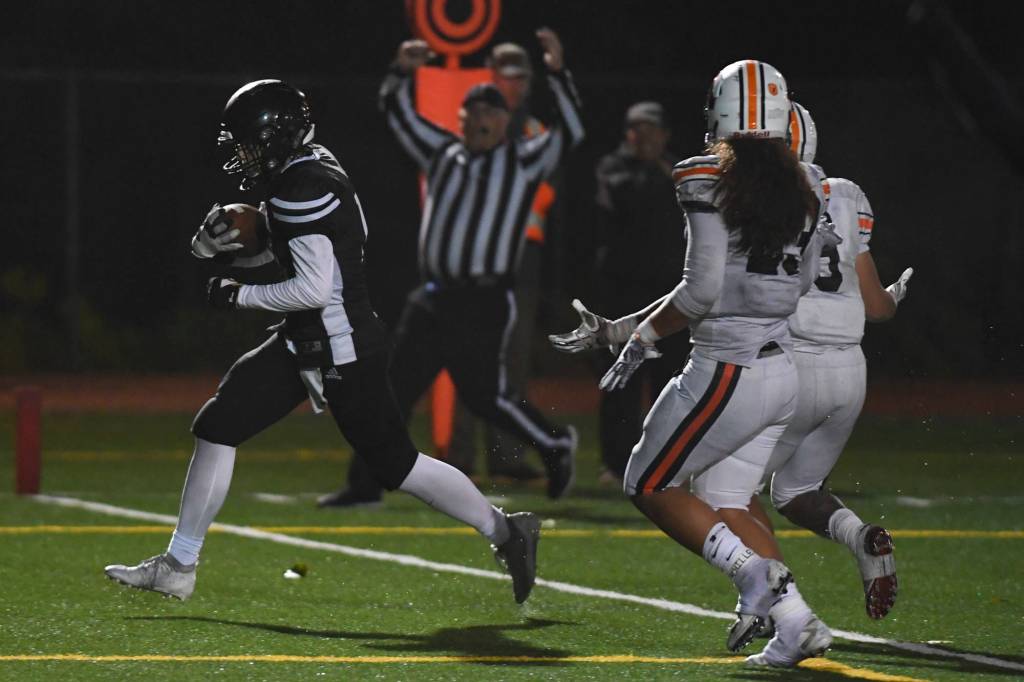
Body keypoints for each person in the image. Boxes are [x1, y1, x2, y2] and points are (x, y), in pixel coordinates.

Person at [103, 79, 541, 605]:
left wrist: (234, 294)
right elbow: (290, 244)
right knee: (219, 424)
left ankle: (507, 532)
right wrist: (224, 244)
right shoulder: (305, 166)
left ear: (276, 136)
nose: (244, 154)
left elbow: (311, 287)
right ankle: (178, 565)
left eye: (249, 142)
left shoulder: (302, 185)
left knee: (396, 465)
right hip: (306, 338)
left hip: (341, 346)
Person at [551, 60, 835, 666]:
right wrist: (628, 329)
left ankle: (756, 580)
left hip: (728, 369)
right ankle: (795, 623)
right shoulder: (808, 185)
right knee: (727, 494)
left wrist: (644, 337)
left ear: (721, 111)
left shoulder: (706, 175)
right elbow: (800, 282)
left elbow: (700, 289)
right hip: (779, 365)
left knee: (648, 481)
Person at [318, 29, 583, 508]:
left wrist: (558, 74)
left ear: (505, 121)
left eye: (491, 111)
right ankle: (364, 484)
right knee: (392, 389)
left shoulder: (523, 159)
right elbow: (396, 111)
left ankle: (554, 444)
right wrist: (401, 69)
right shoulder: (442, 153)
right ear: (460, 119)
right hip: (434, 296)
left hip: (483, 298)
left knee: (485, 397)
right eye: (474, 111)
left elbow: (573, 131)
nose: (481, 117)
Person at [696, 102, 912, 631]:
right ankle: (861, 538)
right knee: (794, 491)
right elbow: (877, 307)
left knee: (723, 489)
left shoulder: (753, 198)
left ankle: (776, 603)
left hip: (790, 364)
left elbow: (714, 286)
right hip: (851, 372)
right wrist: (895, 295)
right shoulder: (845, 194)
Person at [445, 41, 567, 483]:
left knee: (513, 362)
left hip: (518, 258)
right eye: (505, 74)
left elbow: (546, 189)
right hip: (475, 259)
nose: (511, 84)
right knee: (467, 355)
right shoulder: (468, 125)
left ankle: (506, 458)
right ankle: (460, 456)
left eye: (519, 76)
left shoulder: (533, 129)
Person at [588, 101, 689, 482]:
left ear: (664, 135)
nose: (643, 138)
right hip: (623, 293)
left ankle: (666, 459)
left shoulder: (679, 170)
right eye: (636, 130)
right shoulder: (613, 168)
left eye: (650, 130)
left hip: (668, 294)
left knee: (672, 379)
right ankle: (617, 463)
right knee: (622, 378)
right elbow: (626, 199)